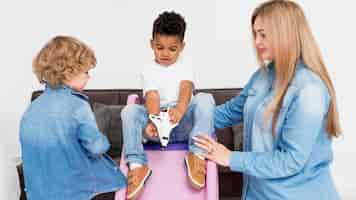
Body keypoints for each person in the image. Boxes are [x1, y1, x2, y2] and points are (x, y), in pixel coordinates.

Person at [193, 0, 342, 199]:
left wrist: (230, 158)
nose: (256, 42)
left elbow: (290, 160)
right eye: (255, 34)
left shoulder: (310, 90)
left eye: (263, 34)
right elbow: (228, 113)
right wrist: (174, 117)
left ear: (285, 34)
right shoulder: (262, 77)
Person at [121, 11, 215, 199]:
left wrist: (180, 109)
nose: (165, 53)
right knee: (129, 111)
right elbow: (152, 96)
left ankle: (196, 155)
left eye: (172, 49)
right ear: (151, 45)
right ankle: (138, 166)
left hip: (181, 125)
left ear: (181, 47)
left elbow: (186, 87)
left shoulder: (185, 64)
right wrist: (155, 122)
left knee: (205, 99)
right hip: (155, 128)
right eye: (159, 47)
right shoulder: (148, 69)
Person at [19, 36, 126, 200]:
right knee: (124, 178)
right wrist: (104, 139)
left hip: (38, 193)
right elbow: (96, 147)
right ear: (69, 71)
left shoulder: (31, 110)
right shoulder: (77, 105)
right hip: (74, 190)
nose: (89, 77)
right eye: (86, 72)